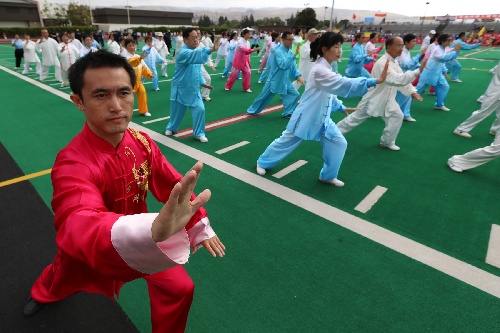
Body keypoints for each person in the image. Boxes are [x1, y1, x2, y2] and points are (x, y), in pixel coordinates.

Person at [22, 50, 225, 333]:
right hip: (99, 244)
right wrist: (150, 231)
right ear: (78, 101)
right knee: (62, 272)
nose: (117, 106)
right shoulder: (73, 161)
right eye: (101, 95)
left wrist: (199, 223)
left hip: (148, 237)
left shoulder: (141, 141)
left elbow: (173, 184)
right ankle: (43, 293)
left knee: (180, 288)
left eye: (124, 93)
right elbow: (76, 220)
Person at [255, 32, 389, 186]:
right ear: (325, 49)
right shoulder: (319, 70)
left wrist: (340, 106)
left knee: (339, 143)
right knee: (287, 141)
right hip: (306, 115)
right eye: (337, 47)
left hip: (322, 117)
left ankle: (327, 175)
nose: (340, 50)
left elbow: (329, 92)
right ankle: (263, 162)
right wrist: (374, 81)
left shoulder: (327, 67)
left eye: (340, 46)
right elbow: (342, 83)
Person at [337, 36, 426, 151]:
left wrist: (412, 92)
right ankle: (333, 133)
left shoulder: (393, 62)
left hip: (388, 100)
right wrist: (418, 71)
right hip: (374, 99)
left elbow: (400, 76)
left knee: (398, 116)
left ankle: (387, 141)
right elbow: (395, 79)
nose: (401, 48)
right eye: (398, 45)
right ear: (388, 47)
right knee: (355, 119)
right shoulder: (383, 63)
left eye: (402, 46)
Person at [165, 28, 219, 143]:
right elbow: (195, 55)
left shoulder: (195, 51)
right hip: (180, 88)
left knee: (200, 109)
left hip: (193, 89)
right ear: (185, 40)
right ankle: (171, 128)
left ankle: (199, 133)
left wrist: (202, 82)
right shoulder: (183, 53)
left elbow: (197, 69)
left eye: (197, 37)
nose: (196, 40)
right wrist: (211, 49)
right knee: (176, 113)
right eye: (193, 38)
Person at [247, 31, 303, 118]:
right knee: (263, 97)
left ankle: (288, 112)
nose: (291, 41)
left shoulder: (289, 52)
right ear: (283, 39)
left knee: (294, 94)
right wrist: (294, 55)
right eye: (289, 39)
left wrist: (298, 76)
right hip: (275, 80)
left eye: (292, 39)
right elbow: (283, 65)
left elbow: (293, 66)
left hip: (285, 80)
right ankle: (252, 110)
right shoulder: (278, 51)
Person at [453, 60, 500, 138]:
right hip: (496, 92)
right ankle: (461, 129)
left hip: (496, 92)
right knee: (484, 111)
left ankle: (495, 129)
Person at [416, 34, 462, 111]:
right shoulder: (437, 49)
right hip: (429, 72)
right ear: (443, 41)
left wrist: (444, 71)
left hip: (437, 73)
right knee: (418, 90)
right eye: (448, 40)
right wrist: (455, 52)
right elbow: (442, 58)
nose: (450, 42)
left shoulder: (443, 48)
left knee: (444, 87)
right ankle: (404, 103)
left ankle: (439, 105)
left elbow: (441, 62)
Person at [395, 33, 428, 122]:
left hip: (404, 77)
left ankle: (403, 114)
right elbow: (406, 65)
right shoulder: (402, 52)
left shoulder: (406, 52)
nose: (415, 43)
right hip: (399, 76)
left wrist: (420, 66)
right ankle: (403, 115)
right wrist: (419, 55)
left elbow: (410, 63)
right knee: (405, 95)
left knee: (404, 96)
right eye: (413, 41)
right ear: (406, 42)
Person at [122, 38, 154, 117]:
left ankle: (143, 110)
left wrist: (149, 73)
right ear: (126, 47)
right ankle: (123, 111)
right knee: (126, 97)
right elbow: (131, 62)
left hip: (138, 81)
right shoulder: (124, 56)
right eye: (130, 46)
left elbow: (144, 67)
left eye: (133, 45)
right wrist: (139, 58)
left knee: (143, 93)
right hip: (128, 82)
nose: (132, 47)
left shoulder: (137, 56)